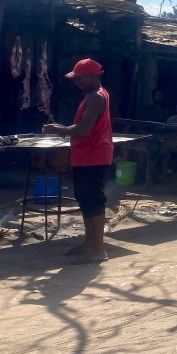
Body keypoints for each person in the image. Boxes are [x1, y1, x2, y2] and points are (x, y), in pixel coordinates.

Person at [43, 58, 113, 264]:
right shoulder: (94, 95)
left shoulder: (96, 98)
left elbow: (83, 129)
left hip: (94, 156)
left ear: (92, 76)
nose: (77, 83)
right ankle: (90, 243)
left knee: (92, 201)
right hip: (88, 156)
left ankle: (98, 250)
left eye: (80, 79)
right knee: (85, 199)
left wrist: (59, 130)